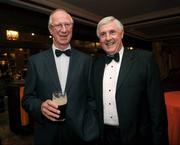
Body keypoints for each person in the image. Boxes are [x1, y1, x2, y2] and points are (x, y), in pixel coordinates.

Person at [22, 9, 99, 145]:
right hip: (47, 134)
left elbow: (92, 97)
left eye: (67, 25)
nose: (64, 30)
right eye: (58, 25)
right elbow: (27, 99)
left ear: (72, 28)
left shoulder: (86, 60)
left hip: (80, 134)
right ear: (50, 30)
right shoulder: (35, 61)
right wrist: (40, 107)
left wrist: (90, 125)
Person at [91, 16, 169, 145]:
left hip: (137, 137)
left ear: (121, 34)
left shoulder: (144, 60)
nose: (108, 38)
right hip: (104, 136)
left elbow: (157, 107)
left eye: (112, 32)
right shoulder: (95, 64)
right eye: (103, 34)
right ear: (99, 39)